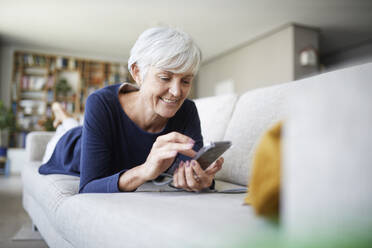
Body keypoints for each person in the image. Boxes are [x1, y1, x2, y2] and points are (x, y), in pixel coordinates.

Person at [39, 27, 224, 193]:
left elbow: (189, 169)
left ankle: (64, 116)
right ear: (137, 73)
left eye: (185, 81)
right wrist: (144, 171)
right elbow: (89, 187)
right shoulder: (101, 103)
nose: (176, 92)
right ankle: (62, 115)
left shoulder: (187, 110)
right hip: (68, 147)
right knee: (70, 127)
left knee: (74, 123)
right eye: (165, 78)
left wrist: (202, 179)